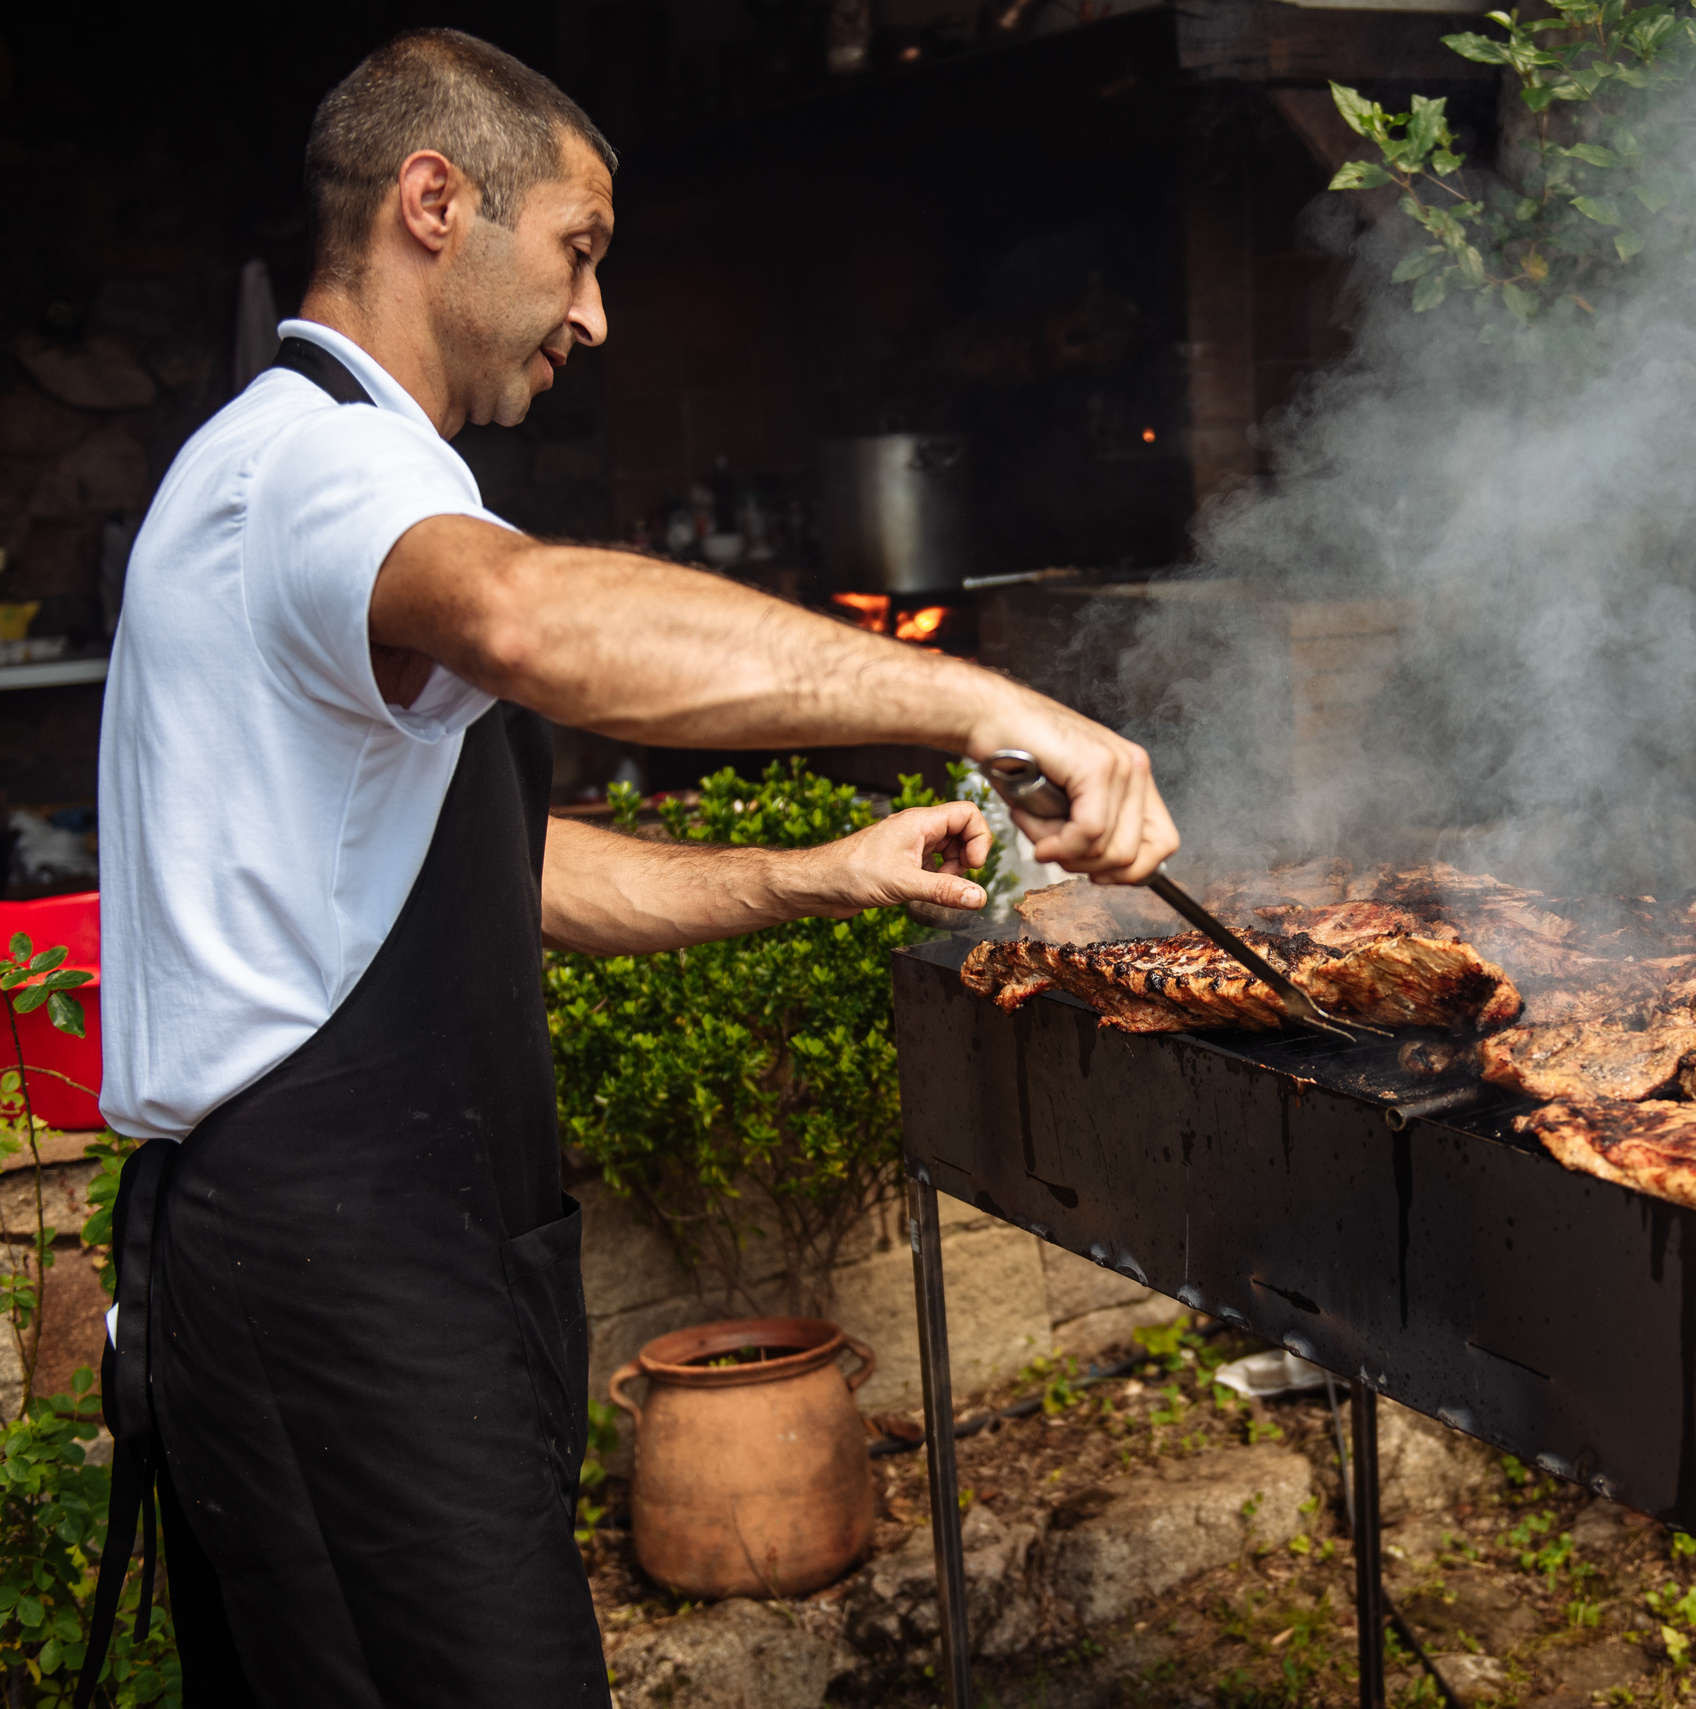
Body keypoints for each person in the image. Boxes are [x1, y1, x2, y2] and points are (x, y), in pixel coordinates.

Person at [87, 28, 1175, 1707]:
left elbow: (489, 880)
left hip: (385, 1254)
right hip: (333, 1277)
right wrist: (992, 701)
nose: (594, 315)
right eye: (578, 250)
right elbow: (534, 620)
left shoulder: (310, 469)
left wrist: (820, 870)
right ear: (433, 201)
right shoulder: (314, 465)